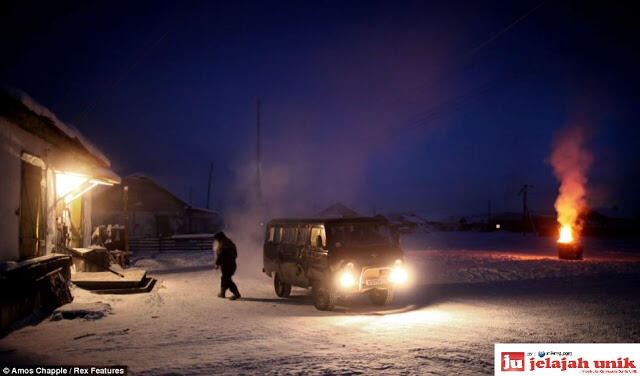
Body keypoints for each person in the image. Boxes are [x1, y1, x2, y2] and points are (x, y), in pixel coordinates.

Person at [213, 232, 241, 300]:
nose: (216, 241)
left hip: (227, 265)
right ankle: (222, 293)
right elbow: (235, 254)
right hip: (231, 264)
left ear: (219, 238)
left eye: (217, 239)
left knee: (227, 279)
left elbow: (220, 255)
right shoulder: (229, 242)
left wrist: (217, 263)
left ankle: (236, 294)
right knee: (224, 278)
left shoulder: (223, 244)